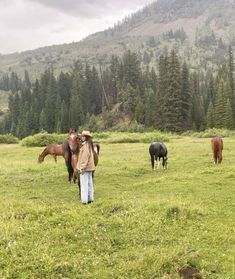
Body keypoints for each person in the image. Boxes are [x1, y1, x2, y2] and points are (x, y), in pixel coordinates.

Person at [76, 130, 96, 204]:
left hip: (85, 168)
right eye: (82, 136)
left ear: (86, 137)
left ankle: (84, 201)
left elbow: (84, 159)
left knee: (84, 184)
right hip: (90, 168)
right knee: (89, 183)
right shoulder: (89, 144)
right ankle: (90, 199)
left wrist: (82, 168)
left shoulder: (85, 146)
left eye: (84, 136)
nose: (82, 137)